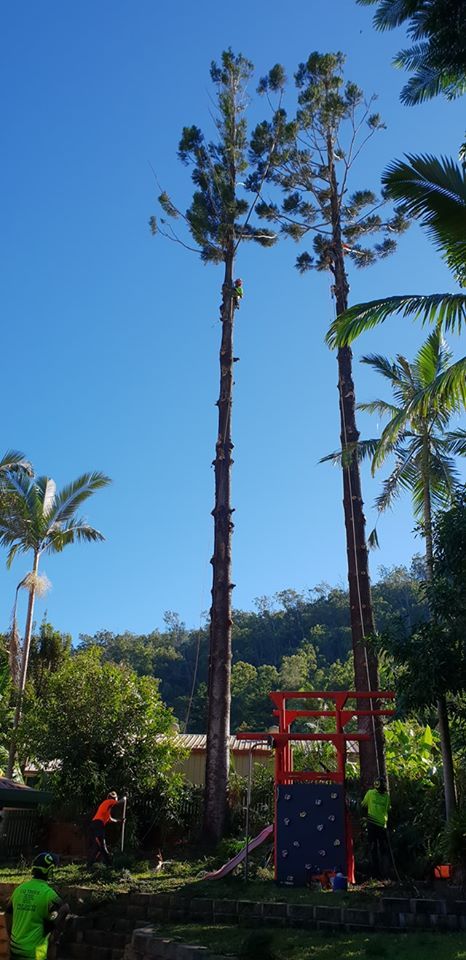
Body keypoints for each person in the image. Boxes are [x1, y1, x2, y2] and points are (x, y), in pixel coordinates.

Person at [5, 852, 69, 960]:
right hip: (36, 954)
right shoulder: (48, 894)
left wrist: (11, 934)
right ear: (49, 871)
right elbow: (65, 908)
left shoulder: (19, 890)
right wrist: (52, 926)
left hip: (15, 951)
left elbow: (8, 914)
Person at [361, 776, 391, 879]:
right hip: (382, 825)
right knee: (384, 849)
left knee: (373, 848)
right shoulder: (386, 796)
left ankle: (376, 873)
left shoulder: (370, 793)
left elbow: (363, 805)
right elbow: (388, 809)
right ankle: (385, 873)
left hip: (372, 825)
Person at [87, 790, 125, 867]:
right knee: (102, 846)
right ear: (113, 798)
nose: (116, 799)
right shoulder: (108, 801)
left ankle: (89, 866)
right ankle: (110, 864)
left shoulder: (107, 809)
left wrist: (120, 820)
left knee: (98, 847)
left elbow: (110, 820)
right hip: (98, 824)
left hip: (94, 825)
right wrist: (124, 798)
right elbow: (118, 802)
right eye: (116, 798)